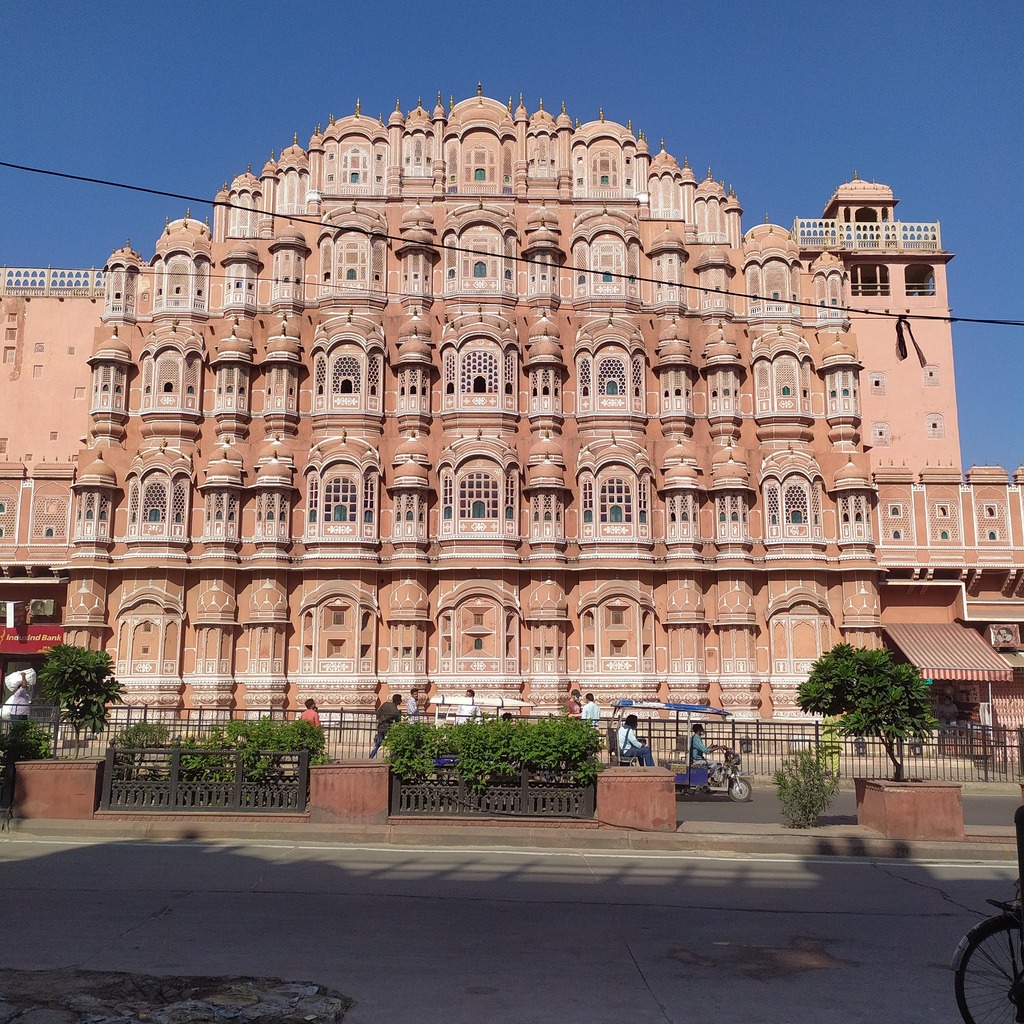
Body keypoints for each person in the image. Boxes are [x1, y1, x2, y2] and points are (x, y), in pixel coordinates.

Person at [369, 693, 402, 758]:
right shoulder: (396, 711)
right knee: (392, 742)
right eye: (400, 700)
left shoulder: (385, 704)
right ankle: (391, 757)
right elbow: (398, 721)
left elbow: (378, 712)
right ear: (398, 701)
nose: (401, 701)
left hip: (381, 725)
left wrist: (380, 719)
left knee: (378, 743)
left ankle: (371, 756)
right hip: (388, 727)